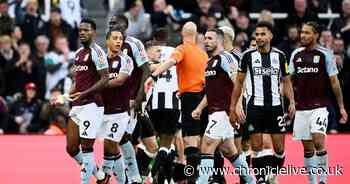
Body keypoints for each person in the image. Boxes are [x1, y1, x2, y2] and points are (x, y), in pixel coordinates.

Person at [230, 21, 296, 183]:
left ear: (270, 36)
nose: (259, 37)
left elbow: (287, 81)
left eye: (262, 34)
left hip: (275, 108)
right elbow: (238, 83)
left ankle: (272, 174)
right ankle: (261, 178)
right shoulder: (247, 56)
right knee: (257, 147)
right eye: (257, 34)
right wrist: (233, 106)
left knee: (279, 149)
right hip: (254, 108)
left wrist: (292, 102)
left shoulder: (280, 56)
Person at [145, 21, 208, 183]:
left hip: (164, 101)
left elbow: (169, 62)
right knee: (191, 141)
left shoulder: (177, 50)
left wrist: (153, 74)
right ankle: (191, 177)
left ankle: (158, 176)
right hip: (197, 99)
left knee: (171, 143)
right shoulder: (202, 54)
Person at [191, 28, 255, 184]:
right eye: (205, 38)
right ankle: (250, 181)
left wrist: (238, 106)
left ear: (219, 40)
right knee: (229, 151)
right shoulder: (209, 62)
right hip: (214, 112)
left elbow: (239, 83)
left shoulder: (226, 58)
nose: (206, 41)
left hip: (224, 112)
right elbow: (210, 91)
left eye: (210, 38)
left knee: (206, 145)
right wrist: (199, 108)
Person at [289, 21, 348, 184]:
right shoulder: (296, 54)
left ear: (316, 35)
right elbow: (288, 80)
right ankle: (313, 181)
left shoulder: (326, 54)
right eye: (302, 32)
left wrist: (341, 107)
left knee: (318, 141)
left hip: (320, 107)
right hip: (301, 109)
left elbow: (334, 82)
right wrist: (290, 101)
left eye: (307, 33)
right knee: (307, 149)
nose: (303, 35)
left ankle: (323, 180)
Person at [53, 18, 109, 184]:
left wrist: (85, 93)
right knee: (71, 148)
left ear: (94, 32)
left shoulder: (97, 52)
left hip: (92, 106)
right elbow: (78, 81)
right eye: (81, 30)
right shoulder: (78, 53)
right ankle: (100, 176)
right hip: (78, 105)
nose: (82, 33)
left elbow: (105, 78)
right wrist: (63, 97)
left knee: (87, 150)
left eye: (86, 30)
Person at [109, 14, 154, 183]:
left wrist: (139, 97)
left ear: (125, 25)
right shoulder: (109, 46)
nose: (111, 25)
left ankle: (131, 175)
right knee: (118, 139)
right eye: (110, 23)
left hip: (131, 101)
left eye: (115, 23)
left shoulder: (134, 44)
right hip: (114, 102)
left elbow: (146, 70)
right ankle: (126, 174)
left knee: (124, 138)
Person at [97, 28, 134, 184]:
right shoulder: (99, 61)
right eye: (115, 38)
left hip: (120, 112)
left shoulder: (126, 60)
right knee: (107, 147)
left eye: (120, 38)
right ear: (107, 41)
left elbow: (119, 80)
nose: (119, 41)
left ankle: (122, 180)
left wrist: (98, 86)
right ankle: (107, 176)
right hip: (102, 112)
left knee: (112, 144)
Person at [145, 28, 181, 183]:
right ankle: (152, 174)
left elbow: (147, 69)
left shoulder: (151, 51)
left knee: (164, 142)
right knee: (168, 142)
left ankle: (166, 179)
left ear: (154, 39)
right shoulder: (177, 52)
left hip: (154, 103)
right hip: (173, 101)